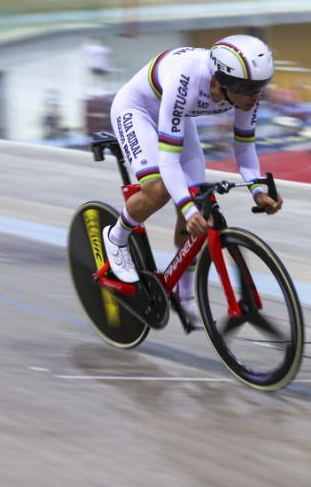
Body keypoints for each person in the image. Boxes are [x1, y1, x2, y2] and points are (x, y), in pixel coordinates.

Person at [102, 35, 284, 324]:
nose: (257, 96)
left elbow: (244, 147)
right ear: (226, 83)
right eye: (251, 90)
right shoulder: (186, 78)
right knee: (159, 190)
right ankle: (116, 237)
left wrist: (258, 191)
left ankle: (184, 293)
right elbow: (169, 161)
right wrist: (186, 209)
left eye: (261, 87)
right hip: (137, 110)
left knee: (198, 204)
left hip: (176, 113)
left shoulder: (245, 94)